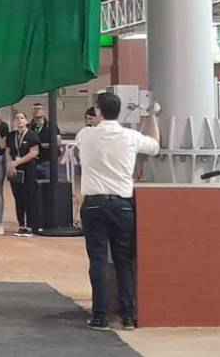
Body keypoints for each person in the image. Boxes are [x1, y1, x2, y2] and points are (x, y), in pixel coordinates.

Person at [77, 92, 161, 331]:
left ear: (98, 111)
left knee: (98, 261)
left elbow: (91, 130)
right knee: (123, 260)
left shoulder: (86, 135)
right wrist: (152, 115)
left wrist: (94, 121)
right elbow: (154, 145)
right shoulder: (130, 137)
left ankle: (100, 316)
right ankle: (127, 316)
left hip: (93, 204)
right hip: (122, 205)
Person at [6, 111, 39, 236]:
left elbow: (34, 152)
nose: (19, 120)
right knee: (18, 199)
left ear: (26, 120)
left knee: (29, 198)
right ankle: (21, 225)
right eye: (17, 118)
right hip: (15, 171)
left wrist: (18, 161)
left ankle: (30, 226)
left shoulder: (31, 135)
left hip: (28, 170)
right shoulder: (11, 136)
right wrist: (11, 164)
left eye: (22, 118)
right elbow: (8, 152)